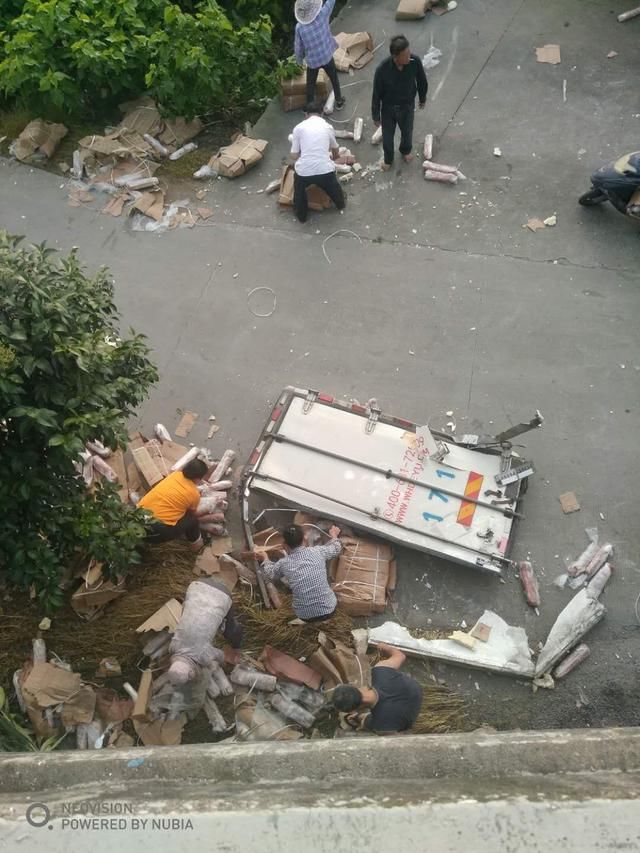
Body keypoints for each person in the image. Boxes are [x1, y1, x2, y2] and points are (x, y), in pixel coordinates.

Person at [254, 523, 342, 624]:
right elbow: (336, 548)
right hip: (329, 610)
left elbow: (270, 573)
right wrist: (334, 535)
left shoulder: (284, 563)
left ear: (284, 545)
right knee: (330, 589)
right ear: (305, 539)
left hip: (304, 616)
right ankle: (324, 618)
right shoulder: (318, 552)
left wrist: (265, 558)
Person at [332, 642, 423, 734]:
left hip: (410, 717)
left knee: (366, 722)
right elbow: (401, 656)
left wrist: (361, 719)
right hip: (415, 689)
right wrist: (385, 648)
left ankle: (357, 718)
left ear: (354, 710)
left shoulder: (381, 726)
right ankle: (358, 718)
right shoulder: (380, 671)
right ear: (356, 688)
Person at [168, 577, 243, 686]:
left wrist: (226, 662)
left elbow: (221, 655)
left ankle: (237, 643)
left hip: (221, 595)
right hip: (198, 585)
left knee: (231, 631)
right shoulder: (173, 646)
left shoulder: (202, 656)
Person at [371, 35, 428, 171]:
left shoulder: (415, 62)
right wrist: (375, 115)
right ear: (396, 57)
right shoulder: (382, 69)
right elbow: (376, 93)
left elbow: (422, 80)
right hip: (388, 108)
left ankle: (405, 150)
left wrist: (422, 98)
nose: (409, 56)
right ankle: (388, 159)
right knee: (387, 137)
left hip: (407, 106)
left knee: (407, 132)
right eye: (405, 55)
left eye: (409, 52)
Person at [290, 101, 346, 223]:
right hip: (324, 171)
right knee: (334, 187)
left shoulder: (298, 128)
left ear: (306, 115)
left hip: (304, 173)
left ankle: (301, 215)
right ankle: (340, 204)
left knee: (299, 190)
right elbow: (336, 152)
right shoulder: (328, 127)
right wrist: (331, 157)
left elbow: (294, 156)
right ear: (321, 113)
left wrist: (303, 152)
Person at [138, 458, 208, 551]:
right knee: (192, 520)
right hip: (155, 532)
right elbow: (193, 512)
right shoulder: (194, 493)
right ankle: (196, 546)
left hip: (136, 519)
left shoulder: (175, 475)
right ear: (197, 478)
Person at [294, 0, 345, 110]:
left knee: (310, 84)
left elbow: (298, 47)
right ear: (314, 8)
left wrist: (299, 61)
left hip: (312, 61)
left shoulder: (299, 27)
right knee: (334, 79)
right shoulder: (322, 15)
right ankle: (339, 101)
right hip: (326, 56)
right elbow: (331, 2)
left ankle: (310, 107)